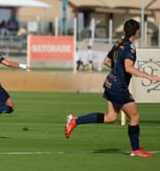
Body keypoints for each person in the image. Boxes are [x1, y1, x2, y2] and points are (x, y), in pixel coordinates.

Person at [65, 19, 160, 157]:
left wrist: (118, 69)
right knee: (134, 116)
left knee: (110, 117)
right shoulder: (130, 47)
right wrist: (149, 77)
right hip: (118, 86)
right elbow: (129, 68)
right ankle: (136, 149)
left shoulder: (119, 43)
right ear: (137, 31)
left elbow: (106, 61)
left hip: (110, 82)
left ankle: (76, 120)